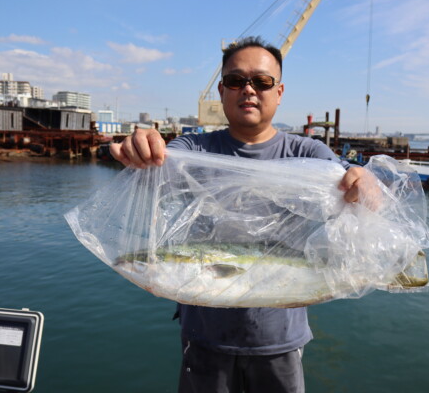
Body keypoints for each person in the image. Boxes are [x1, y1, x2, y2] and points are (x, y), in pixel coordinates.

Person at [110, 36, 379, 393]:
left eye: (262, 82)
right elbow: (158, 168)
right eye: (236, 81)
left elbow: (350, 185)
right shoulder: (193, 150)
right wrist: (142, 149)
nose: (248, 90)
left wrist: (369, 185)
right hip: (204, 340)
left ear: (279, 92)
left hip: (280, 341)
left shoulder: (307, 152)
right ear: (221, 91)